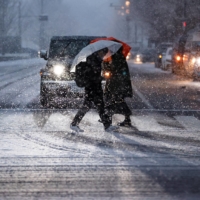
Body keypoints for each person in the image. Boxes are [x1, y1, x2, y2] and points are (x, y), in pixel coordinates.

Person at [70, 49, 116, 132]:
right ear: (99, 51)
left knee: (99, 106)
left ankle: (107, 126)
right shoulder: (92, 60)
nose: (104, 55)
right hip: (91, 87)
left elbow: (95, 74)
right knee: (92, 106)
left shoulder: (96, 59)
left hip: (95, 87)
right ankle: (74, 124)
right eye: (103, 53)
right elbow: (92, 76)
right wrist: (101, 77)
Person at [102, 47, 133, 127]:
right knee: (115, 100)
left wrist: (107, 66)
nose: (109, 51)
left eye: (111, 50)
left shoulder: (117, 58)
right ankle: (125, 118)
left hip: (117, 85)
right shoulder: (117, 57)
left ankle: (108, 118)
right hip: (116, 84)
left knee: (114, 100)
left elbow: (116, 70)